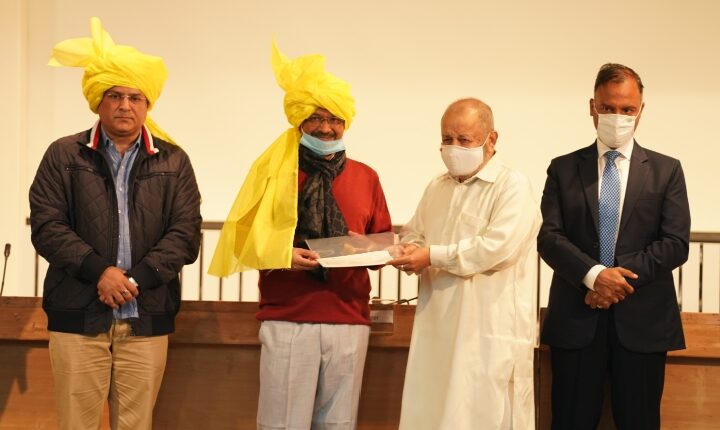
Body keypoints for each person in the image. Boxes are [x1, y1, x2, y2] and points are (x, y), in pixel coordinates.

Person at [29, 18, 202, 430]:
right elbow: (47, 225)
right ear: (98, 102)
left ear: (147, 105)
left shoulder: (174, 161)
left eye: (135, 97)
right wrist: (101, 273)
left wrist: (134, 280)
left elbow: (184, 234)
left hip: (146, 317)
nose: (125, 105)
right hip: (77, 314)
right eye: (115, 95)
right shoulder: (63, 154)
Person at [209, 43, 392, 430]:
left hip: (350, 320)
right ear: (299, 122)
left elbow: (383, 246)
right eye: (316, 118)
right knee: (281, 424)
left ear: (346, 123)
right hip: (287, 319)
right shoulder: (273, 172)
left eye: (335, 119)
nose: (326, 128)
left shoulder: (367, 176)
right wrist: (284, 254)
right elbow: (242, 238)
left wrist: (363, 247)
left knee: (339, 425)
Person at [538, 63, 690, 429]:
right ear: (592, 107)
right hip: (576, 319)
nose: (617, 117)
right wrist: (594, 276)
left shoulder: (666, 170)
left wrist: (615, 280)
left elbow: (675, 243)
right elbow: (550, 238)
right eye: (608, 108)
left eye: (627, 109)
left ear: (641, 111)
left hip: (644, 323)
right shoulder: (562, 169)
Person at [388, 98, 541, 429]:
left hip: (487, 333)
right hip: (436, 328)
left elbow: (497, 248)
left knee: (482, 413)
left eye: (464, 140)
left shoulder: (512, 186)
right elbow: (414, 231)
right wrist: (409, 248)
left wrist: (431, 255)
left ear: (492, 139)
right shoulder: (437, 186)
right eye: (447, 139)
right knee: (431, 411)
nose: (453, 148)